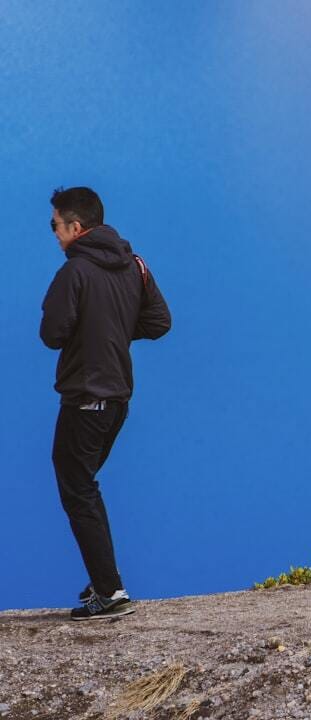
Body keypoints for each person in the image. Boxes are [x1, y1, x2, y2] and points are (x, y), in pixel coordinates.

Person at [40, 186, 171, 621]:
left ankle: (111, 591)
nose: (54, 234)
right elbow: (158, 321)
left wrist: (95, 329)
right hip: (117, 401)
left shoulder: (75, 271)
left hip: (84, 398)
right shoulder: (134, 266)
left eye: (55, 225)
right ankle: (103, 577)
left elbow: (52, 334)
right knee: (84, 485)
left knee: (78, 489)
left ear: (76, 227)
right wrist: (109, 329)